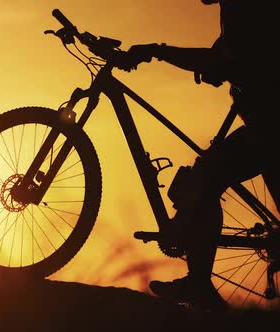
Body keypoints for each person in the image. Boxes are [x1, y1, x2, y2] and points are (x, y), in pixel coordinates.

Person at [114, 0, 278, 310]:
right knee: (205, 175)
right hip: (264, 124)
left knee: (203, 180)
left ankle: (199, 284)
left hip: (269, 128)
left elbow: (224, 61)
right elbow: (230, 57)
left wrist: (157, 50)